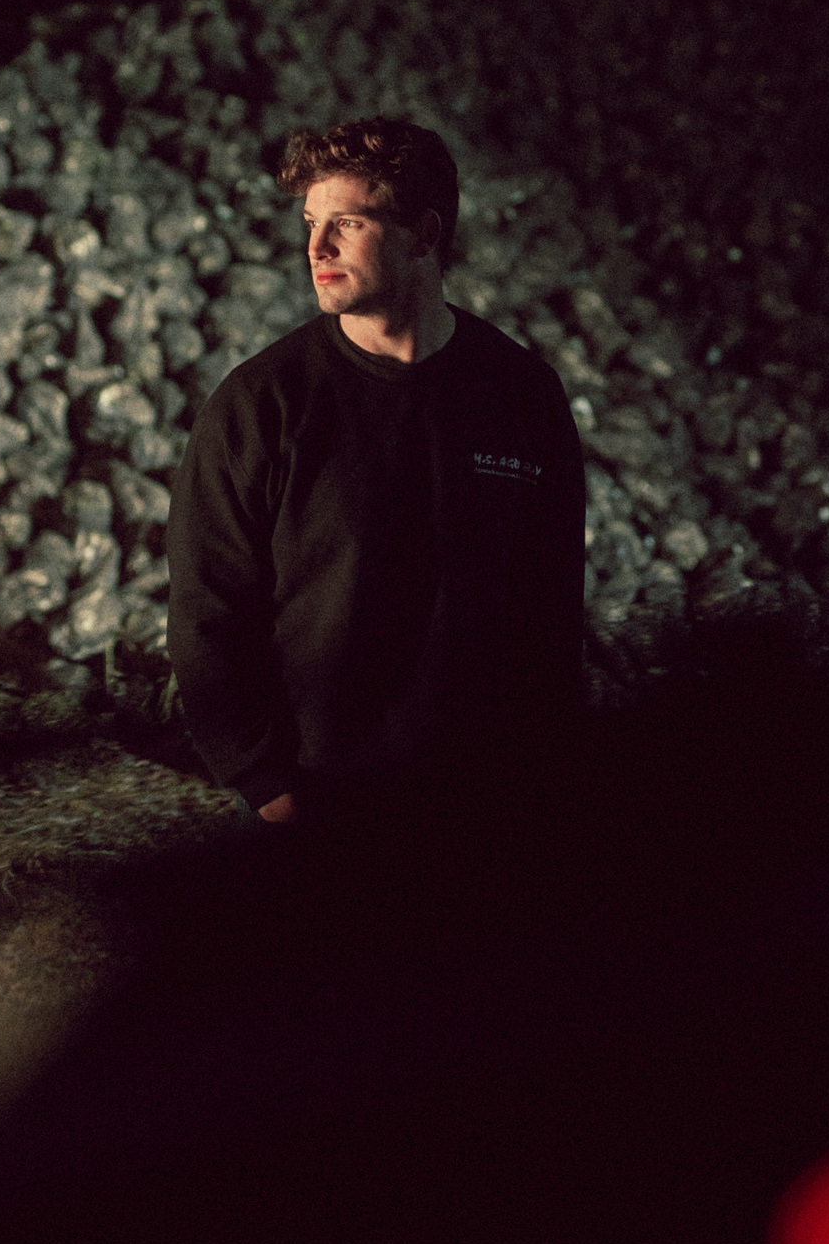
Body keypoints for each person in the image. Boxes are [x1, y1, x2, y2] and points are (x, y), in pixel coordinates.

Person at [165, 115, 588, 842]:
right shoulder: (261, 405)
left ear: (423, 234)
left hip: (485, 800)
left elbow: (550, 607)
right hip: (319, 803)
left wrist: (544, 775)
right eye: (310, 222)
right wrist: (264, 782)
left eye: (348, 223)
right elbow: (207, 611)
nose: (315, 248)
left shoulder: (521, 394)